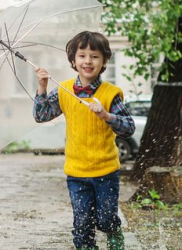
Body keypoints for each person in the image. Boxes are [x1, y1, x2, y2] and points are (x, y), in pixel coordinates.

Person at [33, 31, 135, 250]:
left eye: (95, 56)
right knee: (82, 226)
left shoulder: (110, 93)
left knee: (105, 220)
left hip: (106, 172)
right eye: (82, 56)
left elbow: (129, 128)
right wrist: (42, 87)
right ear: (73, 60)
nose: (88, 61)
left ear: (104, 61)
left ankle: (114, 231)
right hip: (76, 173)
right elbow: (41, 116)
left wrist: (107, 116)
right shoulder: (65, 90)